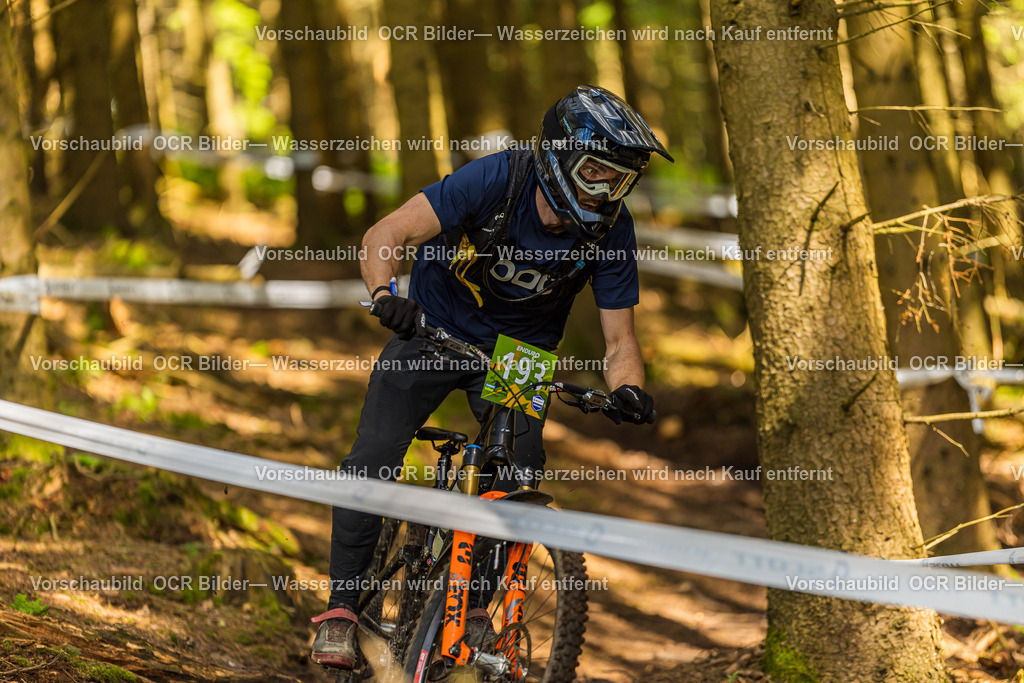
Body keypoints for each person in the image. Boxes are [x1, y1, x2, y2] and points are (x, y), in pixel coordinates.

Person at [310, 84, 673, 669]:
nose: (605, 190)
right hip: (432, 329)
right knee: (374, 454)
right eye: (595, 172)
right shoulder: (496, 179)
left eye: (619, 180)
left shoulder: (611, 230)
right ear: (559, 155)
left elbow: (620, 340)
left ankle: (476, 611)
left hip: (520, 354)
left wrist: (628, 389)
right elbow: (386, 234)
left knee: (519, 471)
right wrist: (384, 295)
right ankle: (342, 612)